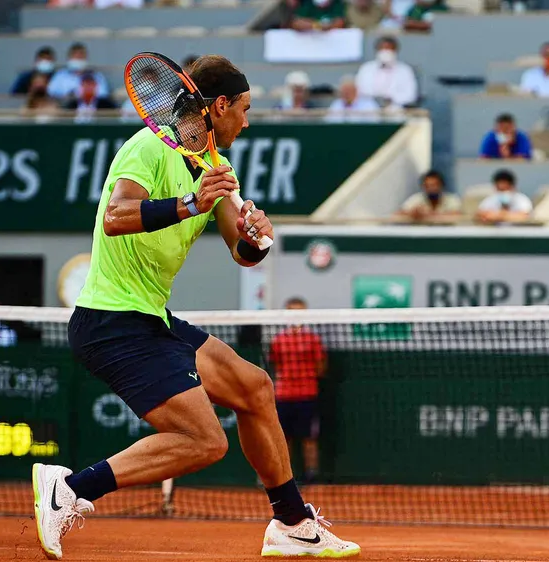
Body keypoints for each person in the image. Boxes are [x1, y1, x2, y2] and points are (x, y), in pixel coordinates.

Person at [31, 55, 359, 560]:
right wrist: (189, 205)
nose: (245, 123)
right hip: (110, 322)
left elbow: (240, 250)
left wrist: (257, 237)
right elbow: (116, 216)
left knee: (254, 388)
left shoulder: (217, 167)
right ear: (219, 106)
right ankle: (70, 489)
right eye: (243, 110)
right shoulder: (147, 148)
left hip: (151, 318)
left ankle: (292, 523)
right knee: (205, 440)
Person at [270, 297, 327, 485]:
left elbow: (321, 367)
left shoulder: (313, 340)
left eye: (299, 312)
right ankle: (285, 476)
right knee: (283, 438)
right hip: (283, 395)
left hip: (307, 395)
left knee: (309, 437)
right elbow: (276, 364)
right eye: (291, 312)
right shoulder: (278, 340)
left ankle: (312, 475)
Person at [355, 36, 419, 108]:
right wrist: (375, 98)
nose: (385, 52)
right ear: (377, 51)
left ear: (395, 51)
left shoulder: (405, 70)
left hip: (396, 108)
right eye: (382, 49)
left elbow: (410, 95)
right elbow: (359, 90)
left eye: (389, 49)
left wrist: (391, 99)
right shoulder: (366, 69)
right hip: (369, 108)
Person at [396, 170, 462, 221]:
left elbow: (458, 215)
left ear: (442, 185)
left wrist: (430, 214)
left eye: (434, 185)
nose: (431, 188)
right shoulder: (417, 198)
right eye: (427, 186)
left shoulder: (451, 199)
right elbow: (397, 214)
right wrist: (412, 213)